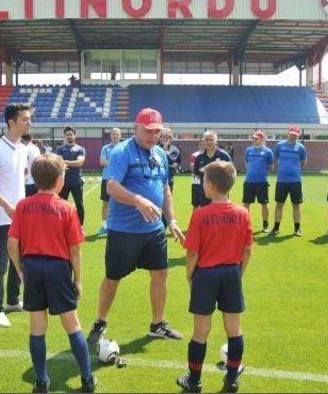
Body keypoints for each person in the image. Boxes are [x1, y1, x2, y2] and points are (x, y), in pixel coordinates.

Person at [87, 108, 185, 345]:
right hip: (124, 232)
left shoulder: (161, 154)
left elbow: (165, 190)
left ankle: (157, 324)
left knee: (160, 275)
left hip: (153, 231)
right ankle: (100, 322)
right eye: (148, 131)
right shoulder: (122, 152)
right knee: (112, 278)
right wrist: (137, 200)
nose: (153, 136)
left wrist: (170, 219)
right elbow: (111, 187)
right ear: (136, 129)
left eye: (157, 132)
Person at [7, 153, 96, 393]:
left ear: (34, 179)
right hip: (58, 269)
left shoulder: (23, 206)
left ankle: (41, 382)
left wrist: (21, 271)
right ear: (59, 180)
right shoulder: (66, 208)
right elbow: (75, 249)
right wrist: (78, 279)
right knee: (72, 326)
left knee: (37, 328)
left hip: (33, 268)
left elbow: (12, 244)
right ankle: (87, 380)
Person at [177, 161, 252, 393]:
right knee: (234, 328)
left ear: (209, 185)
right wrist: (239, 273)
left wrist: (190, 275)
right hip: (231, 273)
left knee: (201, 331)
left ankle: (195, 381)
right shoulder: (242, 213)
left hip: (206, 275)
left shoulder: (200, 215)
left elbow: (192, 252)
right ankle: (231, 380)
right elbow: (247, 250)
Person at [0, 104, 31, 327]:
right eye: (25, 119)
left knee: (17, 260)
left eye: (29, 119)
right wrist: (6, 205)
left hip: (19, 216)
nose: (29, 123)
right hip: (3, 217)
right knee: (0, 263)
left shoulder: (21, 148)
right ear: (11, 122)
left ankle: (12, 301)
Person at [269, 126, 307, 237]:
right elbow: (275, 158)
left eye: (295, 135)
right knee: (279, 205)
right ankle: (276, 228)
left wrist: (295, 170)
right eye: (291, 134)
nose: (293, 136)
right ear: (288, 133)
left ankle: (297, 229)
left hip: (295, 181)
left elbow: (304, 161)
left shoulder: (301, 148)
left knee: (296, 205)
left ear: (298, 135)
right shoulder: (279, 145)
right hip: (282, 180)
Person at [242, 130, 274, 232]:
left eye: (256, 138)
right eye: (253, 138)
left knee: (264, 204)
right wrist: (251, 171)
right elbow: (246, 161)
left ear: (262, 139)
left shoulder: (268, 152)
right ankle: (245, 225)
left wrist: (261, 173)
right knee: (246, 204)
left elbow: (271, 167)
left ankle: (265, 225)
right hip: (249, 181)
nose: (254, 140)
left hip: (262, 182)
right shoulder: (248, 150)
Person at [55, 126, 86, 228]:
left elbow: (79, 163)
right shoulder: (60, 149)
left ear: (74, 135)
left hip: (76, 180)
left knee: (79, 204)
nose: (69, 136)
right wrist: (69, 163)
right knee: (62, 205)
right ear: (64, 136)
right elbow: (59, 163)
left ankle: (80, 226)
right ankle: (62, 225)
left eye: (71, 134)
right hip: (63, 181)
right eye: (67, 135)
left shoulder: (80, 149)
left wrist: (66, 162)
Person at [194, 131, 232, 207]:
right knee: (206, 217)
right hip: (205, 195)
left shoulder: (224, 156)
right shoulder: (199, 158)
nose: (209, 142)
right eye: (207, 140)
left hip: (221, 195)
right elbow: (197, 175)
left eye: (211, 140)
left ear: (216, 141)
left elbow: (230, 175)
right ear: (203, 141)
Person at [97, 128, 122, 237]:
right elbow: (102, 161)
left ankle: (120, 227)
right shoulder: (105, 148)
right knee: (106, 204)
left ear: (120, 136)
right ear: (110, 136)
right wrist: (117, 163)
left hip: (121, 180)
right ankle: (105, 226)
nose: (115, 136)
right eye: (113, 134)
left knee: (122, 203)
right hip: (107, 179)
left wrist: (110, 162)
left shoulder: (124, 148)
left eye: (117, 134)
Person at [190, 139, 205, 209]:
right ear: (198, 145)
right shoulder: (194, 155)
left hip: (206, 183)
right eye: (200, 144)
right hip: (196, 182)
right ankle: (194, 220)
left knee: (206, 204)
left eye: (203, 144)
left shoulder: (209, 155)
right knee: (195, 205)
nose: (202, 146)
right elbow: (192, 168)